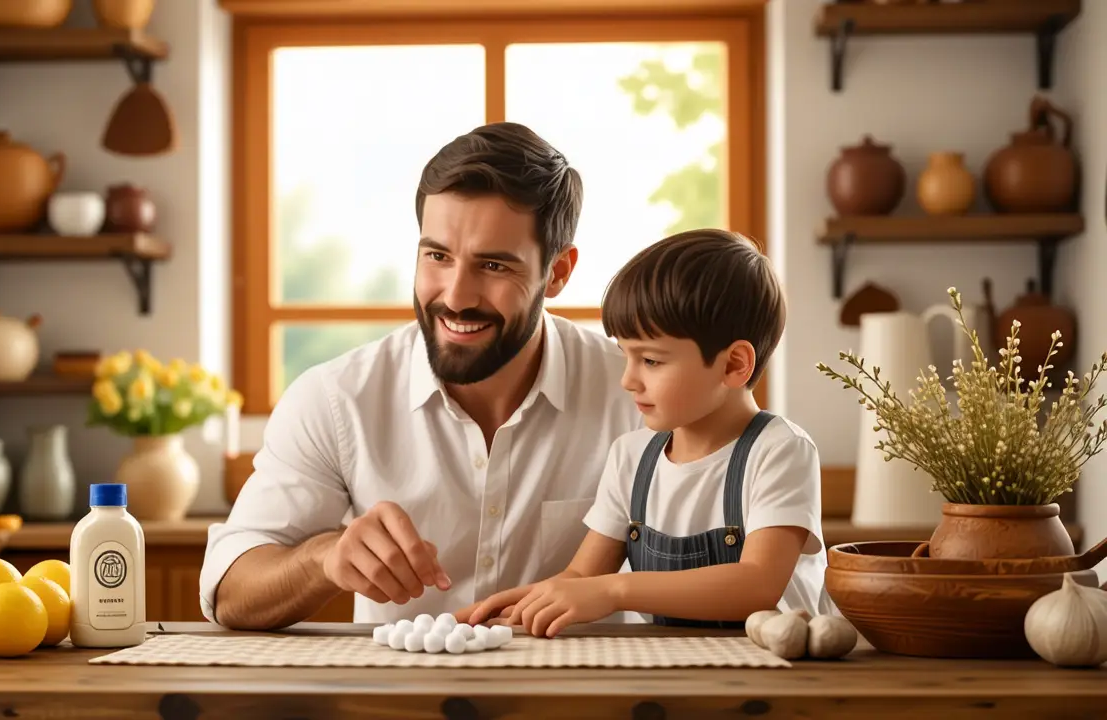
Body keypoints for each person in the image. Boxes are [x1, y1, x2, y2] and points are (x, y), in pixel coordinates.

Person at [200, 122, 644, 629]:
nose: (455, 296)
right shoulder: (337, 399)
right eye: (437, 256)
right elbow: (230, 592)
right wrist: (324, 557)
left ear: (559, 272)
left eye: (494, 266)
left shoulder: (635, 398)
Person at [459, 229, 832, 638]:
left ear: (734, 365)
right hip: (669, 668)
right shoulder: (633, 457)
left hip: (774, 676)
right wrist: (519, 606)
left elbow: (757, 585)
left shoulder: (779, 451)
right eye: (626, 355)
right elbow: (583, 575)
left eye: (651, 361)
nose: (628, 380)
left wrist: (616, 590)